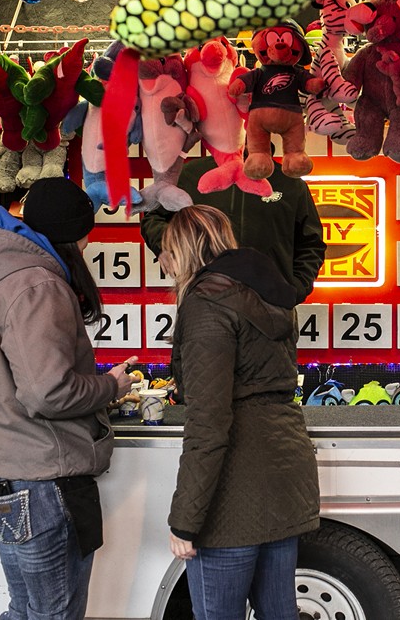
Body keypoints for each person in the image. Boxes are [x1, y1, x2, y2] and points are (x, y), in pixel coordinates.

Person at [0, 177, 137, 620]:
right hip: (41, 482)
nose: (88, 244)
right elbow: (48, 392)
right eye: (85, 234)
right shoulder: (38, 285)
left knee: (27, 611)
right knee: (53, 614)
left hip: (6, 477)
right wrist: (111, 386)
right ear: (72, 235)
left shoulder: (2, 273)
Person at [161, 205, 320, 620]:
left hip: (233, 497)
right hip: (286, 477)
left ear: (184, 251)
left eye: (168, 253)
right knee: (279, 613)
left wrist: (185, 520)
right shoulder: (271, 291)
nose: (164, 264)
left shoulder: (206, 303)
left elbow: (208, 422)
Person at [140, 155, 327, 304]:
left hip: (272, 307)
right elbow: (154, 217)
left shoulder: (289, 183)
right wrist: (166, 246)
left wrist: (296, 289)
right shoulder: (191, 174)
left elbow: (311, 243)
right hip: (204, 302)